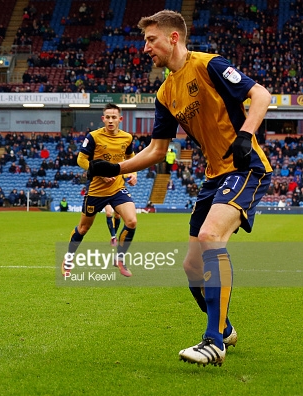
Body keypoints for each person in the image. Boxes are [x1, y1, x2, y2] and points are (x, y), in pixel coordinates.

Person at [88, 10, 272, 366]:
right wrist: (116, 167)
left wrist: (246, 136)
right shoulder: (165, 91)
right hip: (214, 176)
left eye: (150, 40)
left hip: (245, 166)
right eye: (144, 41)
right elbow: (158, 150)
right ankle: (226, 327)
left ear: (173, 37)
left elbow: (261, 95)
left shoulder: (209, 65)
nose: (145, 48)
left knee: (209, 237)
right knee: (190, 267)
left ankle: (214, 340)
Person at [62, 103, 138, 278]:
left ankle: (120, 258)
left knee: (132, 221)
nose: (111, 120)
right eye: (107, 117)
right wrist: (101, 173)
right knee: (83, 228)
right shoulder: (94, 136)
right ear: (103, 119)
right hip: (96, 190)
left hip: (118, 188)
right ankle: (68, 258)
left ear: (120, 119)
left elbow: (130, 158)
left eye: (114, 117)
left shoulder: (127, 138)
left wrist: (133, 173)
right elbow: (81, 160)